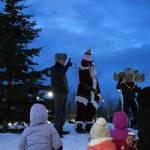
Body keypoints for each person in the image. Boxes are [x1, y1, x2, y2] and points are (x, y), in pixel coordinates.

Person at [75, 49, 101, 133]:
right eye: (92, 66)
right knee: (81, 109)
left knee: (91, 110)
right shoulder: (83, 69)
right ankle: (79, 126)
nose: (93, 67)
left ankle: (88, 126)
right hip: (84, 92)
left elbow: (97, 85)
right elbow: (84, 63)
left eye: (94, 66)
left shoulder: (94, 76)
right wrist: (87, 54)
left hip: (93, 94)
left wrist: (99, 93)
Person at [50, 53, 72, 137]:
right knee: (58, 112)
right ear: (58, 59)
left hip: (64, 92)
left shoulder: (62, 68)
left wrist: (66, 66)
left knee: (63, 112)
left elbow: (62, 72)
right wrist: (66, 66)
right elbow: (59, 74)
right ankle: (56, 131)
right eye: (62, 59)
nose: (64, 60)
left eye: (64, 59)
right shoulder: (54, 68)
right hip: (58, 92)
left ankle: (60, 129)